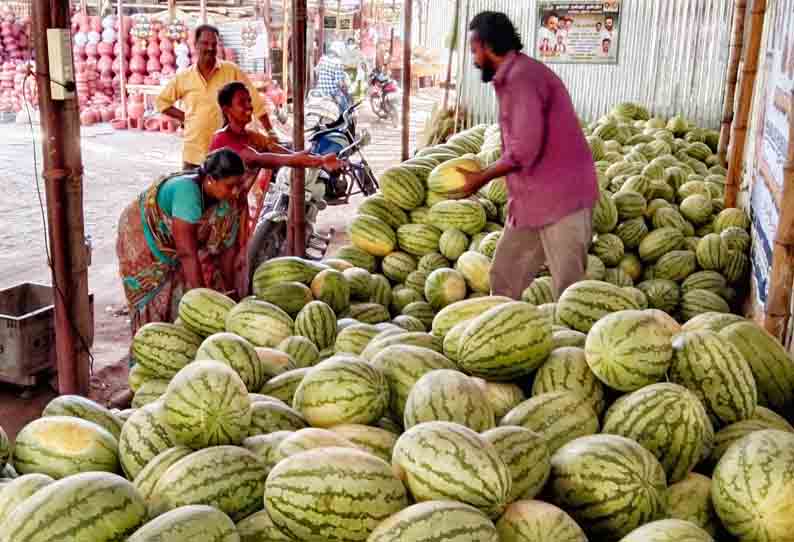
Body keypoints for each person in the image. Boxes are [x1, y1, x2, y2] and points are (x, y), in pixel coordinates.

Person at [457, 11, 598, 301]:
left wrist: (480, 178)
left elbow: (524, 149)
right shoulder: (514, 76)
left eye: (474, 51)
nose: (473, 59)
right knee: (504, 275)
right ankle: (502, 336)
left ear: (486, 45)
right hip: (531, 201)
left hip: (562, 199)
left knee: (570, 290)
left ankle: (574, 343)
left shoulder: (523, 78)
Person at [117, 149, 247, 334]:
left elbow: (226, 248)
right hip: (144, 236)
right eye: (230, 185)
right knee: (155, 300)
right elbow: (187, 254)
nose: (235, 191)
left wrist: (231, 292)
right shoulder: (187, 193)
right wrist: (203, 301)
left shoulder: (225, 199)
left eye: (239, 185)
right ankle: (150, 345)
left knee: (180, 289)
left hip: (177, 241)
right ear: (211, 179)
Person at [156, 24, 274, 170]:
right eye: (205, 43)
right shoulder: (184, 77)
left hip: (226, 154)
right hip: (194, 153)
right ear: (195, 45)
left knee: (226, 191)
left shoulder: (231, 71)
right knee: (192, 191)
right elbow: (161, 102)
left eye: (214, 44)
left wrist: (271, 132)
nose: (210, 48)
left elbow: (255, 101)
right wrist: (185, 117)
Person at [315, 44, 351, 112]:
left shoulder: (322, 58)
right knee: (346, 108)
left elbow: (317, 72)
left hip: (319, 90)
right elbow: (339, 82)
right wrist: (344, 87)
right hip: (332, 92)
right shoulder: (338, 62)